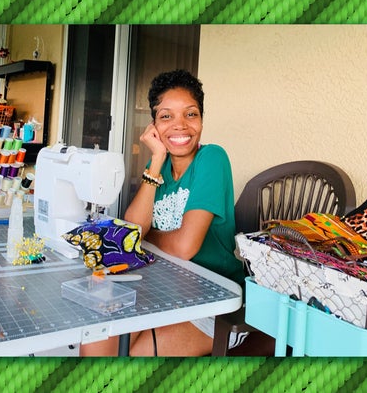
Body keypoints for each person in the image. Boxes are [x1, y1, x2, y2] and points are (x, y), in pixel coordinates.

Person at [80, 69, 245, 357]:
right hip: (163, 290)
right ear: (154, 125)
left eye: (190, 114)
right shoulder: (161, 171)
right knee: (95, 340)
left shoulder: (212, 159)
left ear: (202, 120)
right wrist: (156, 161)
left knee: (133, 356)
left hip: (215, 303)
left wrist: (148, 237)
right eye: (166, 116)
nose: (180, 126)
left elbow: (183, 247)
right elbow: (132, 229)